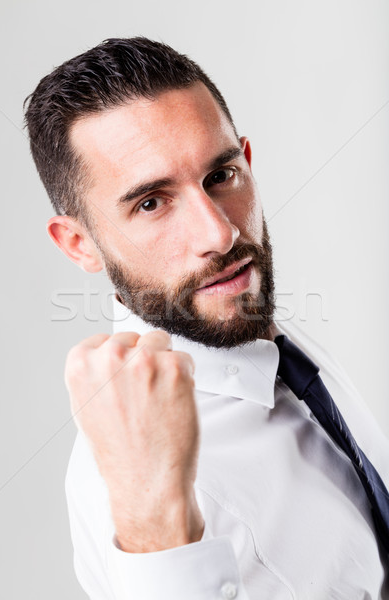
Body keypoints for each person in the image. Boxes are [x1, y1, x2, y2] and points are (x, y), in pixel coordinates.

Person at [24, 37, 389, 599]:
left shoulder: (273, 347)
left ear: (247, 160)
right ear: (79, 244)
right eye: (151, 202)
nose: (221, 233)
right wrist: (157, 538)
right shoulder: (122, 491)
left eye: (221, 176)